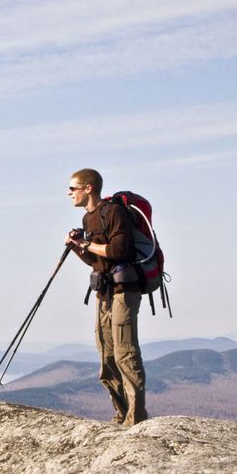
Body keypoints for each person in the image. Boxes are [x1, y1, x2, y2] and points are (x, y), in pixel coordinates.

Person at [64, 168, 148, 426]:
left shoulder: (113, 212)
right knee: (106, 355)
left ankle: (136, 419)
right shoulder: (89, 219)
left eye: (72, 188)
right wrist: (78, 248)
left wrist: (87, 244)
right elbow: (97, 260)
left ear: (88, 188)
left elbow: (120, 250)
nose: (69, 194)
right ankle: (121, 413)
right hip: (103, 291)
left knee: (125, 353)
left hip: (124, 290)